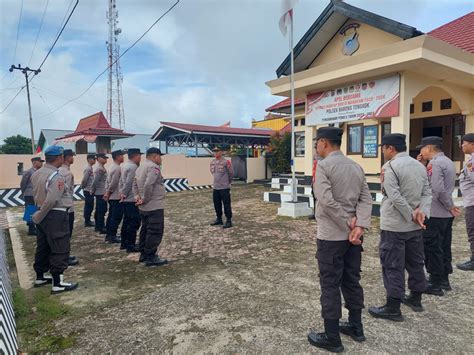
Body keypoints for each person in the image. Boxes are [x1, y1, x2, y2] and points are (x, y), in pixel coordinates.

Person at [307, 127, 373, 353]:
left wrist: (349, 223)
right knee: (351, 279)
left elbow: (324, 199)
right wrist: (359, 225)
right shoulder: (356, 166)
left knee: (330, 284)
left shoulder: (323, 166)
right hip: (353, 238)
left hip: (331, 236)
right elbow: (366, 199)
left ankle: (332, 336)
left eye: (317, 142)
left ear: (324, 143)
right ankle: (356, 326)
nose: (316, 147)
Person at [369, 133, 431, 320]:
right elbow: (427, 192)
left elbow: (393, 196)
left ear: (390, 148)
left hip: (395, 225)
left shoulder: (390, 167)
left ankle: (393, 307)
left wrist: (411, 214)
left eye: (383, 147)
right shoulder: (419, 166)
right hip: (415, 226)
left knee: (392, 265)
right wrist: (421, 212)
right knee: (415, 262)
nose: (383, 151)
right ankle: (416, 298)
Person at [30, 145, 78, 294]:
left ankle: (40, 276)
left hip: (42, 213)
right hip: (54, 215)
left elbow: (37, 195)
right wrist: (39, 215)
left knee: (43, 246)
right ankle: (58, 283)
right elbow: (51, 200)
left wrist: (38, 214)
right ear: (59, 158)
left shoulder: (37, 174)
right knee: (60, 246)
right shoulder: (56, 176)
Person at [417, 136, 459, 294]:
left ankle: (434, 282)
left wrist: (450, 206)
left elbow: (437, 189)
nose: (421, 151)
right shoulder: (447, 161)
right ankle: (444, 279)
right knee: (444, 245)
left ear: (428, 148)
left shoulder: (435, 163)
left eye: (422, 148)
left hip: (435, 212)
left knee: (432, 247)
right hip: (445, 214)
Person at [134, 147, 168, 267]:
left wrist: (137, 197)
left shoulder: (140, 167)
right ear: (154, 156)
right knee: (155, 231)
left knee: (145, 230)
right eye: (160, 156)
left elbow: (135, 184)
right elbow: (149, 184)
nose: (161, 159)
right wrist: (145, 199)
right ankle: (151, 257)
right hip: (153, 205)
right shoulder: (154, 167)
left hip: (143, 207)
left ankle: (143, 254)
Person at [119, 148, 143, 253]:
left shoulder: (124, 165)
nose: (140, 158)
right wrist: (124, 194)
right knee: (134, 222)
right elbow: (129, 183)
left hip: (126, 198)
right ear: (136, 156)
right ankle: (130, 245)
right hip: (131, 198)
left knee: (126, 221)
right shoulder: (133, 167)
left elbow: (121, 181)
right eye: (139, 156)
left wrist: (121, 193)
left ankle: (124, 243)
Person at [58, 149, 79, 266]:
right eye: (72, 156)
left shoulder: (61, 171)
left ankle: (64, 254)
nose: (73, 158)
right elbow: (67, 192)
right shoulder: (66, 173)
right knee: (66, 233)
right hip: (67, 208)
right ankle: (64, 256)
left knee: (65, 233)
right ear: (67, 158)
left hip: (63, 207)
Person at [457, 133, 474, 271]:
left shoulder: (472, 162)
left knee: (472, 230)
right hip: (470, 201)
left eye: (464, 143)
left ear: (472, 144)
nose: (462, 145)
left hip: (473, 202)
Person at [209, 146, 234, 229]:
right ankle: (219, 219)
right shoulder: (212, 162)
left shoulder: (226, 162)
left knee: (226, 204)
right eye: (214, 151)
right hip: (216, 187)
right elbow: (213, 173)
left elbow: (231, 173)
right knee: (217, 204)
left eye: (217, 151)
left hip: (224, 187)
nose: (215, 153)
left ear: (221, 152)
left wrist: (228, 182)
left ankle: (229, 221)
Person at [104, 150, 124, 244]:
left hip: (112, 196)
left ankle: (109, 235)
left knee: (111, 216)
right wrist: (108, 192)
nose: (123, 157)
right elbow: (114, 183)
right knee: (116, 217)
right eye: (122, 156)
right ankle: (112, 236)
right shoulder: (117, 168)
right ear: (118, 157)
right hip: (115, 196)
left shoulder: (112, 167)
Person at [20, 156, 44, 235]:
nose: (41, 163)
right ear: (34, 163)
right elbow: (23, 183)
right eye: (40, 161)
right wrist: (25, 192)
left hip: (37, 194)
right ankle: (31, 229)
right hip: (29, 194)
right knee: (30, 210)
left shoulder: (40, 171)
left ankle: (34, 227)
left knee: (36, 210)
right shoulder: (28, 172)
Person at [91, 153, 108, 234]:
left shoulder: (101, 168)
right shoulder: (99, 169)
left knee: (100, 210)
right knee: (101, 210)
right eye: (104, 158)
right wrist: (93, 190)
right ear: (99, 158)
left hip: (101, 192)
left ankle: (98, 226)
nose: (106, 159)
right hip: (100, 192)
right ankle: (100, 227)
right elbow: (95, 181)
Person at [81, 154, 96, 227]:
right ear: (89, 159)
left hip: (89, 190)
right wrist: (83, 187)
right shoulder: (88, 168)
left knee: (90, 206)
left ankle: (88, 220)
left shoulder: (90, 168)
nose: (95, 160)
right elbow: (85, 179)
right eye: (93, 159)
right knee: (88, 206)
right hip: (88, 190)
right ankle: (87, 221)